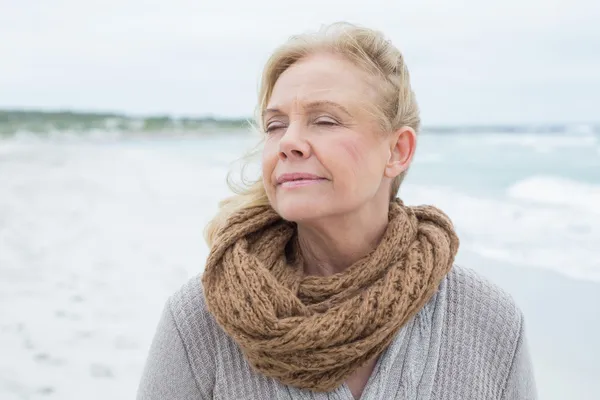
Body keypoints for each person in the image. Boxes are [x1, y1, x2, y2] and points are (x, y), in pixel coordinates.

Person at [136, 22, 537, 400]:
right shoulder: (201, 318)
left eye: (324, 120)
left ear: (398, 151)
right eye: (275, 125)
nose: (288, 142)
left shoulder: (487, 320)